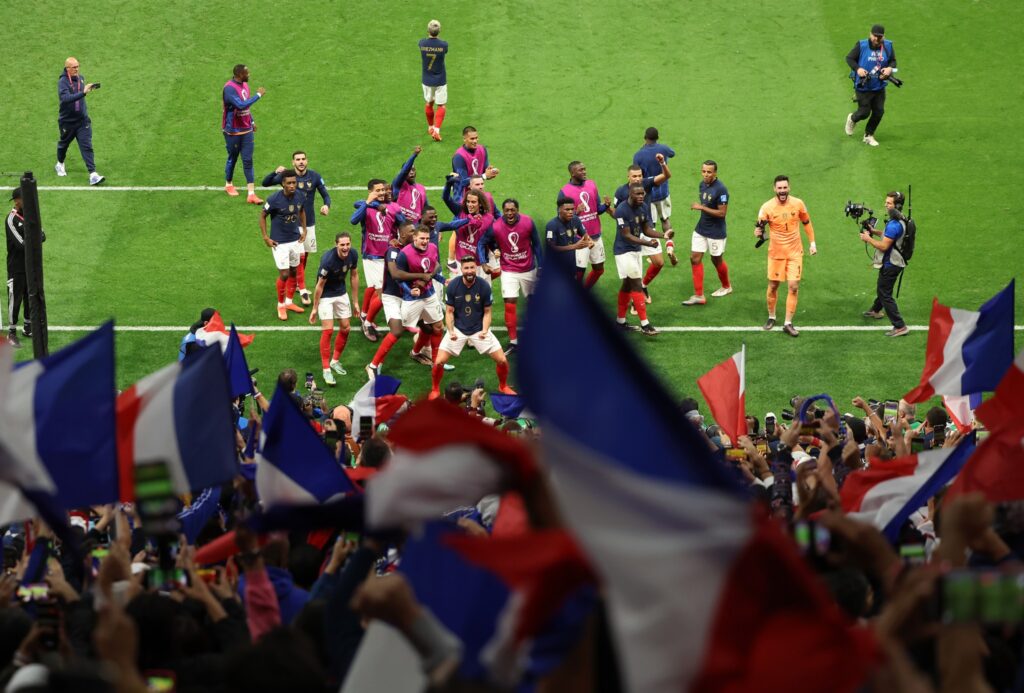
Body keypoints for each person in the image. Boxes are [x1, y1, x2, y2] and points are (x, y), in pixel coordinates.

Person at [429, 256, 516, 399]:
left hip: (479, 329)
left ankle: (503, 386)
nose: (469, 271)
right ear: (461, 269)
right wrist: (451, 331)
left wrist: (485, 330)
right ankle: (435, 389)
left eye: (472, 267)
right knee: (438, 363)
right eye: (466, 268)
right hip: (458, 329)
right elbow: (449, 312)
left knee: (502, 360)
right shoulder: (453, 286)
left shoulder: (484, 286)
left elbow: (487, 312)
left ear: (476, 268)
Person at [367, 226, 444, 378]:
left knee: (429, 328)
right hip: (394, 296)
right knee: (397, 330)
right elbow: (395, 274)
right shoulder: (394, 251)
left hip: (411, 295)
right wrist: (421, 277)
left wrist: (428, 278)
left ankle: (417, 352)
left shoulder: (419, 249)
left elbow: (434, 264)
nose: (414, 233)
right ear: (403, 234)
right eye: (411, 231)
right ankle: (373, 365)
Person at [261, 151, 331, 305]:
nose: (301, 162)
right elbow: (265, 183)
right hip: (292, 226)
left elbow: (325, 194)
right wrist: (275, 172)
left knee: (304, 255)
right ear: (293, 162)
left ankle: (298, 284)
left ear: (307, 161)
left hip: (308, 222)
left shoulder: (314, 176)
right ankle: (302, 289)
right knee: (299, 257)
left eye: (303, 159)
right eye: (298, 159)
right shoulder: (287, 177)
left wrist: (326, 205)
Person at [755, 175, 817, 337]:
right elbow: (760, 229)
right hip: (776, 254)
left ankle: (788, 323)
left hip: (795, 253)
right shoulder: (767, 207)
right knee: (773, 286)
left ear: (789, 188)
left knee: (793, 287)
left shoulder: (798, 204)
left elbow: (806, 222)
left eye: (784, 187)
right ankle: (771, 316)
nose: (782, 191)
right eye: (779, 188)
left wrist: (812, 243)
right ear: (774, 189)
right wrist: (758, 233)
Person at [478, 199, 541, 355]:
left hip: (528, 269)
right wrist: (484, 262)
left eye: (513, 210)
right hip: (508, 270)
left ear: (517, 210)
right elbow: (481, 242)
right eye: (507, 210)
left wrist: (541, 265)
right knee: (510, 303)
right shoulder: (496, 226)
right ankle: (514, 342)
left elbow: (537, 244)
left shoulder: (528, 222)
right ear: (503, 211)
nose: (510, 213)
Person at [350, 179, 406, 342]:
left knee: (384, 291)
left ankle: (365, 315)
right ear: (370, 192)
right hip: (372, 257)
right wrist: (369, 203)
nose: (382, 192)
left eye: (383, 190)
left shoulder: (393, 208)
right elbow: (353, 220)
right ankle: (367, 323)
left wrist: (399, 240)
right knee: (384, 295)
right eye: (378, 190)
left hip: (388, 256)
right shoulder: (365, 207)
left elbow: (405, 226)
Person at [613, 156, 672, 307]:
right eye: (634, 176)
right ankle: (635, 300)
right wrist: (611, 213)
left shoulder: (646, 183)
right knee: (632, 274)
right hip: (630, 233)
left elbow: (666, 176)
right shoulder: (621, 191)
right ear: (628, 177)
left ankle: (643, 285)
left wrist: (662, 163)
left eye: (639, 175)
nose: (638, 179)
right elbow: (616, 212)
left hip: (647, 229)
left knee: (659, 263)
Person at [309, 232, 360, 386]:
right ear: (336, 244)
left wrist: (355, 302)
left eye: (347, 244)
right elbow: (319, 285)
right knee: (328, 331)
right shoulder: (328, 260)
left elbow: (354, 276)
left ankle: (335, 361)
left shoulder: (353, 254)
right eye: (342, 244)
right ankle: (326, 370)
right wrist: (314, 308)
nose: (345, 247)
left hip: (341, 292)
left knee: (346, 328)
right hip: (326, 295)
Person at [613, 184, 665, 336]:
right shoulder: (621, 210)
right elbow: (626, 235)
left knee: (627, 285)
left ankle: (620, 322)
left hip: (635, 250)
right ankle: (645, 324)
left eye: (642, 193)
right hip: (623, 251)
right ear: (630, 194)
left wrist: (663, 235)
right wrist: (648, 243)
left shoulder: (643, 207)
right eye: (637, 194)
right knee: (636, 284)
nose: (641, 196)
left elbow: (646, 229)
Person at [259, 170, 307, 320]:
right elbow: (262, 216)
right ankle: (280, 305)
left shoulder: (300, 196)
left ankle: (289, 302)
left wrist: (304, 230)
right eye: (289, 183)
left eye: (294, 183)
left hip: (295, 240)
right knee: (284, 274)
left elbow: (301, 211)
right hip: (279, 243)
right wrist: (266, 237)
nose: (292, 185)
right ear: (283, 184)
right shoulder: (274, 199)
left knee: (294, 271)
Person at [859, 191, 909, 337]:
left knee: (884, 293)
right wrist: (874, 231)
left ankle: (900, 326)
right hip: (894, 262)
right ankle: (875, 310)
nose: (885, 205)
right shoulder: (900, 219)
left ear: (896, 206)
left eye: (889, 203)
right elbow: (888, 236)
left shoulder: (894, 225)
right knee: (883, 288)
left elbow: (884, 246)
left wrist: (868, 239)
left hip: (891, 263)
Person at [682, 160, 731, 306]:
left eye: (709, 172)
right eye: (703, 171)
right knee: (694, 258)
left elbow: (722, 213)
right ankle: (699, 295)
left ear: (715, 173)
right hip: (701, 228)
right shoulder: (702, 185)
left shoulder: (721, 190)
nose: (706, 174)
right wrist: (702, 208)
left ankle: (726, 286)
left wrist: (702, 208)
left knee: (716, 260)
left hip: (716, 232)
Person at [560, 161, 614, 288]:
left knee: (599, 269)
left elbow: (597, 209)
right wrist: (575, 212)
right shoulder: (565, 192)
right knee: (578, 274)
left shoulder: (591, 185)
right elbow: (561, 218)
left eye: (584, 169)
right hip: (579, 239)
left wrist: (606, 206)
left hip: (595, 235)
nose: (584, 172)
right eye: (581, 170)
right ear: (572, 173)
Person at [844, 24, 897, 147]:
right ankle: (852, 119)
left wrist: (889, 69)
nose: (877, 39)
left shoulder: (888, 46)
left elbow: (893, 61)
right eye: (875, 36)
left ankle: (868, 135)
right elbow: (849, 58)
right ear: (870, 34)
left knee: (879, 112)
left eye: (880, 37)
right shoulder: (862, 45)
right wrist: (858, 69)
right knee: (864, 112)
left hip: (879, 86)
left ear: (884, 36)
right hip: (863, 86)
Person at [55, 57, 105, 185]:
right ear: (67, 69)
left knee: (86, 146)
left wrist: (87, 90)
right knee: (63, 145)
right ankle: (60, 163)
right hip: (67, 122)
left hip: (82, 121)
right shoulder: (63, 82)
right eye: (74, 67)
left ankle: (93, 174)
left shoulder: (81, 78)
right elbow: (66, 99)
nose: (77, 69)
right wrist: (83, 92)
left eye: (78, 66)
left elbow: (80, 97)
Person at [222, 64, 266, 203]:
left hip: (246, 130)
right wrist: (258, 95)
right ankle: (228, 184)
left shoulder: (245, 85)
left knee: (248, 160)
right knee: (233, 158)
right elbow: (240, 105)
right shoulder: (229, 88)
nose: (249, 75)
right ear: (240, 74)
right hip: (233, 131)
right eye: (247, 73)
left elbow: (246, 106)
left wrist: (251, 121)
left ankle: (251, 194)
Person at [5, 189, 42, 348]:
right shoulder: (11, 219)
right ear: (17, 201)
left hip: (30, 265)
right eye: (22, 199)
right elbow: (21, 244)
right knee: (15, 299)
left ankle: (27, 327)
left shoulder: (31, 215)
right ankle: (11, 332)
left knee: (29, 296)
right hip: (16, 267)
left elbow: (42, 235)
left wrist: (35, 238)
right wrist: (35, 239)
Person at [633, 127, 676, 261]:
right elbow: (672, 153)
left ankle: (654, 253)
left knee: (650, 225)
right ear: (657, 137)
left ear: (645, 137)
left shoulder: (639, 155)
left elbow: (636, 173)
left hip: (648, 194)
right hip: (663, 192)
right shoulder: (663, 149)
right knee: (665, 219)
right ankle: (669, 246)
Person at [545, 197, 593, 272]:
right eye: (567, 209)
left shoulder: (575, 220)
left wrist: (589, 241)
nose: (571, 212)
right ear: (559, 210)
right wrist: (575, 246)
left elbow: (584, 234)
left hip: (571, 264)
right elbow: (551, 248)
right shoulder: (552, 225)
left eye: (572, 209)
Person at [451, 127, 498, 202]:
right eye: (472, 139)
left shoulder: (482, 149)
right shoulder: (459, 157)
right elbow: (463, 182)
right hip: (462, 198)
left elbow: (485, 172)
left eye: (476, 138)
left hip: (478, 195)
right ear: (464, 139)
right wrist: (484, 176)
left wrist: (490, 172)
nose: (475, 141)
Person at [420, 20, 448, 142]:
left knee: (429, 103)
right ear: (439, 31)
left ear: (428, 30)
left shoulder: (422, 43)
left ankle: (430, 127)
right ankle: (436, 130)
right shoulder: (443, 45)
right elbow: (444, 51)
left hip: (426, 79)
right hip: (440, 80)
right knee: (441, 105)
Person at [392, 146, 429, 224]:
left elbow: (426, 209)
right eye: (409, 170)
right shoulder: (399, 184)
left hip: (415, 227)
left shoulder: (421, 188)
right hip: (400, 225)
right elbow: (404, 171)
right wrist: (414, 155)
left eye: (413, 170)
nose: (411, 172)